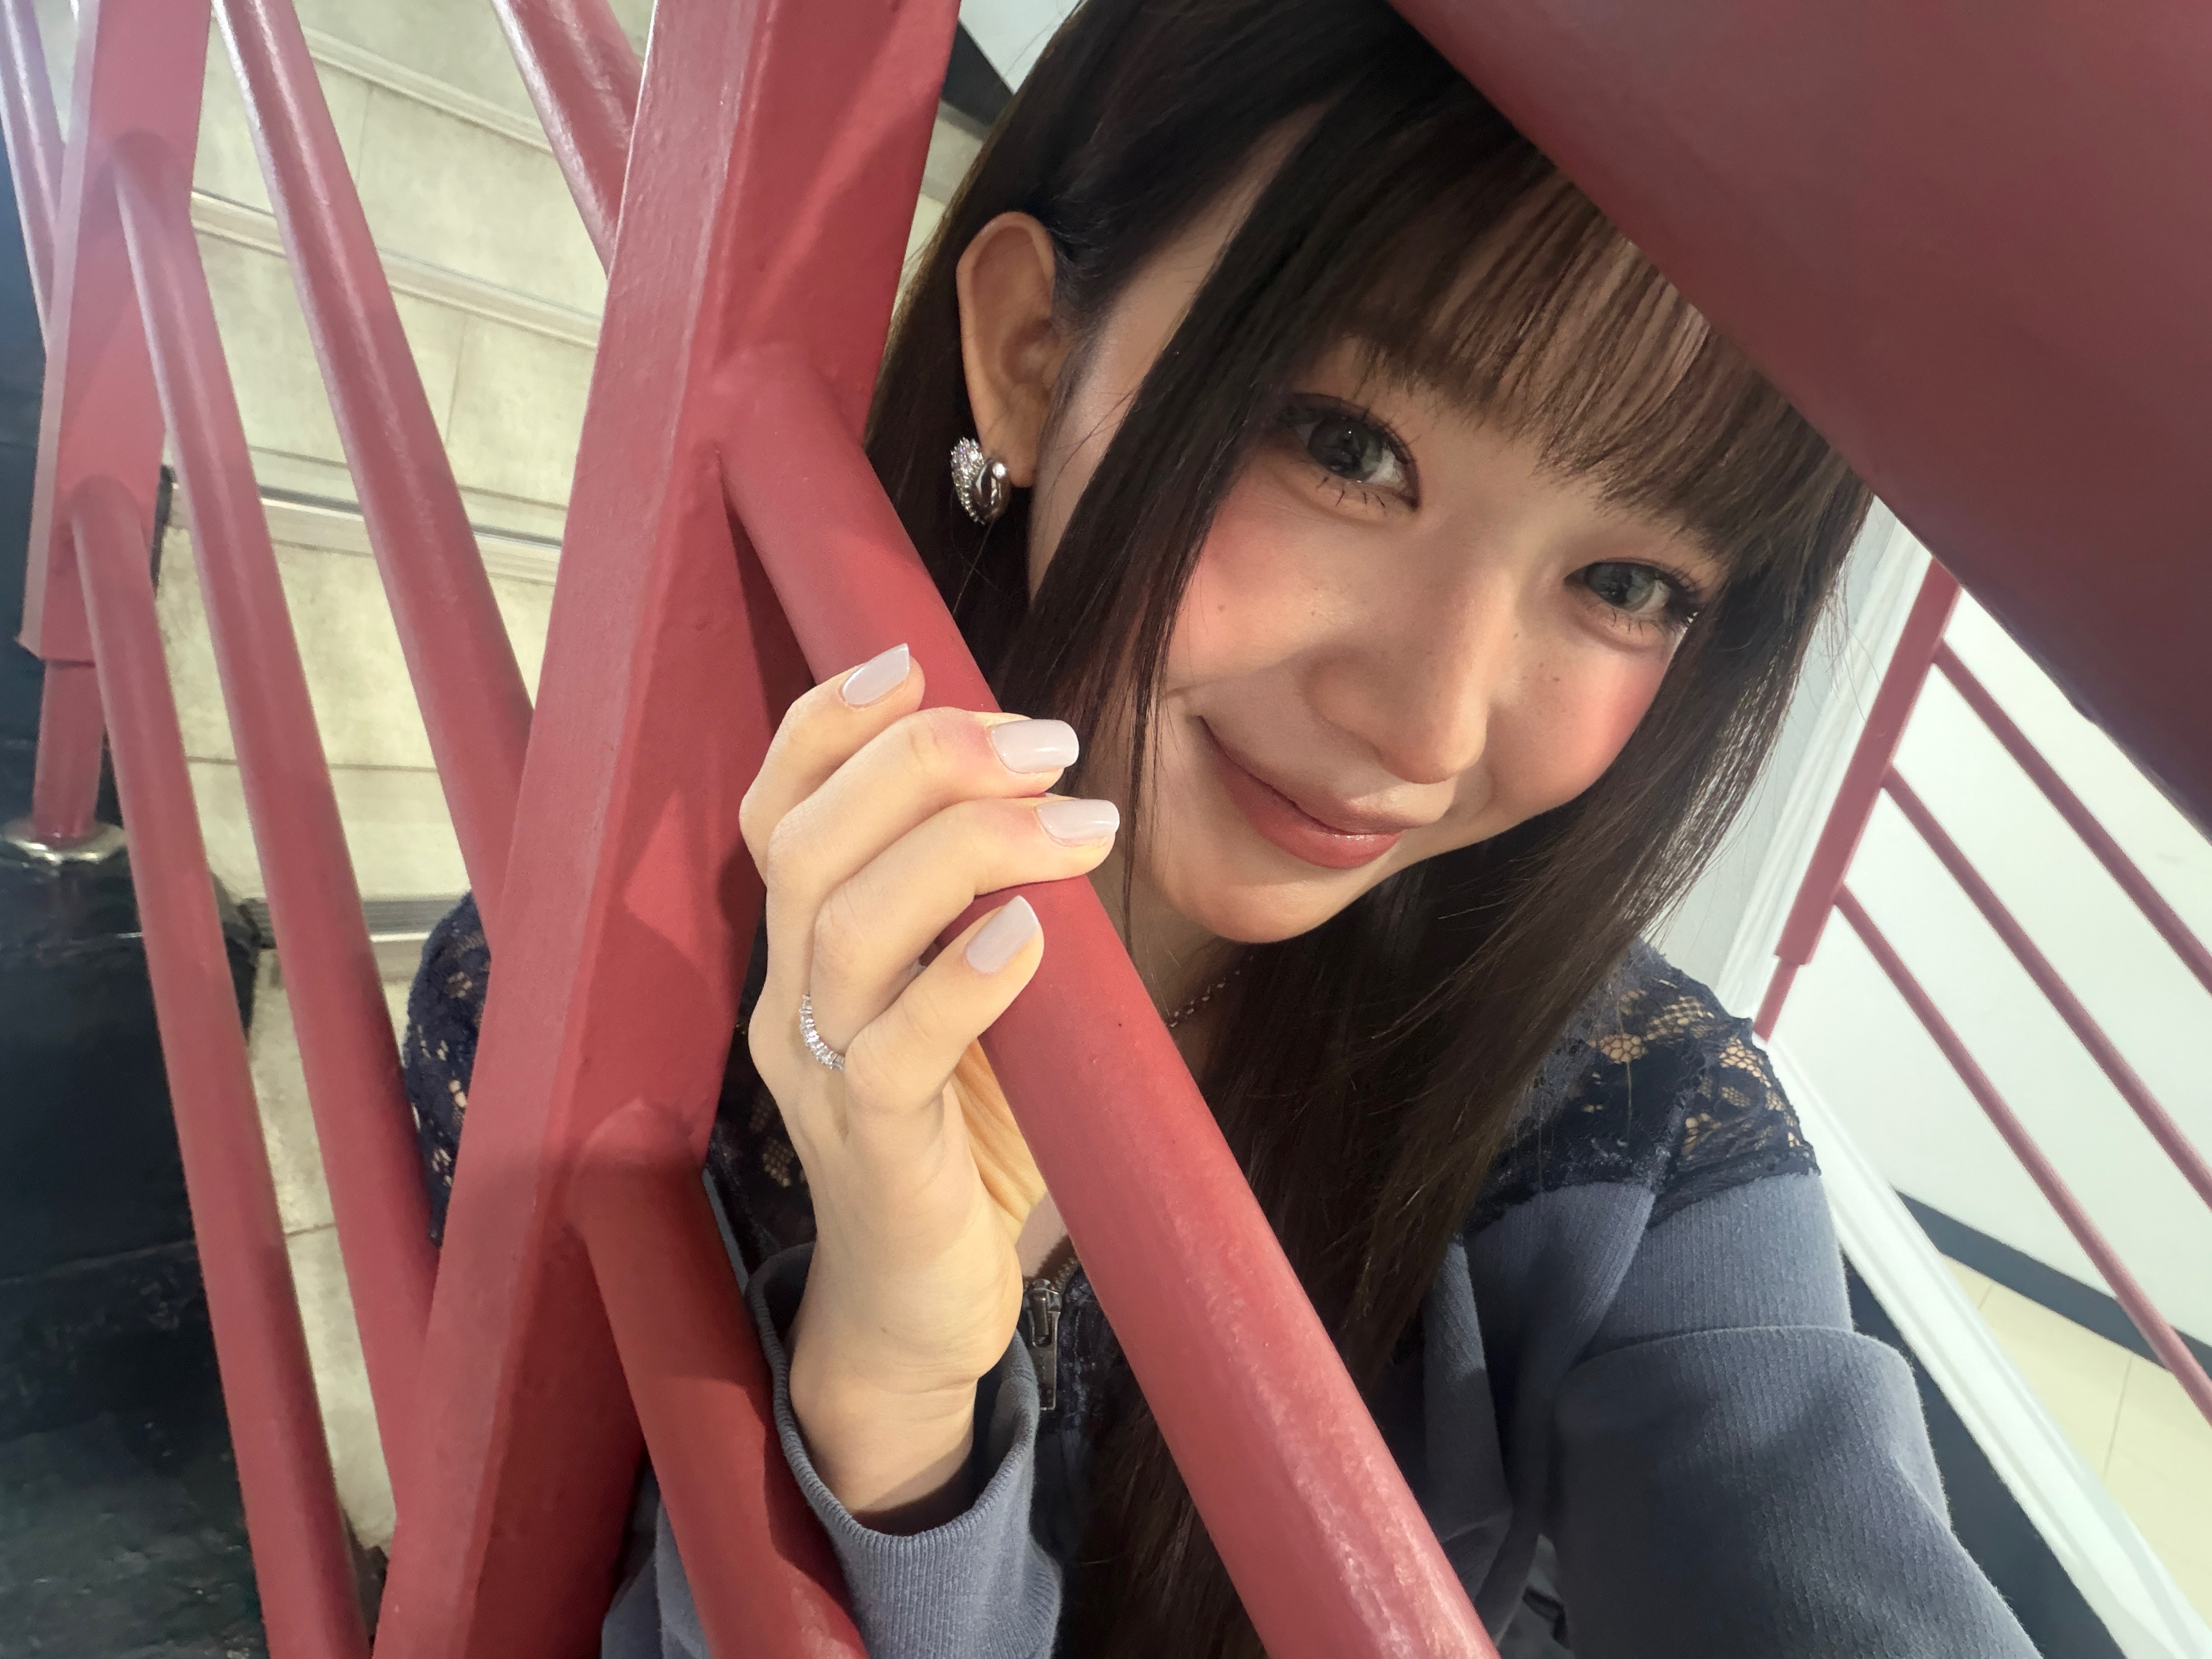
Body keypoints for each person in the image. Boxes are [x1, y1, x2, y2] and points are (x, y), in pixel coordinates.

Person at [403, 1, 2041, 1654]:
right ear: (1032, 355)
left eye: (1626, 583)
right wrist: (891, 1401)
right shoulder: (587, 1019)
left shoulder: (1633, 1142)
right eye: (1350, 449)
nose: (1427, 727)